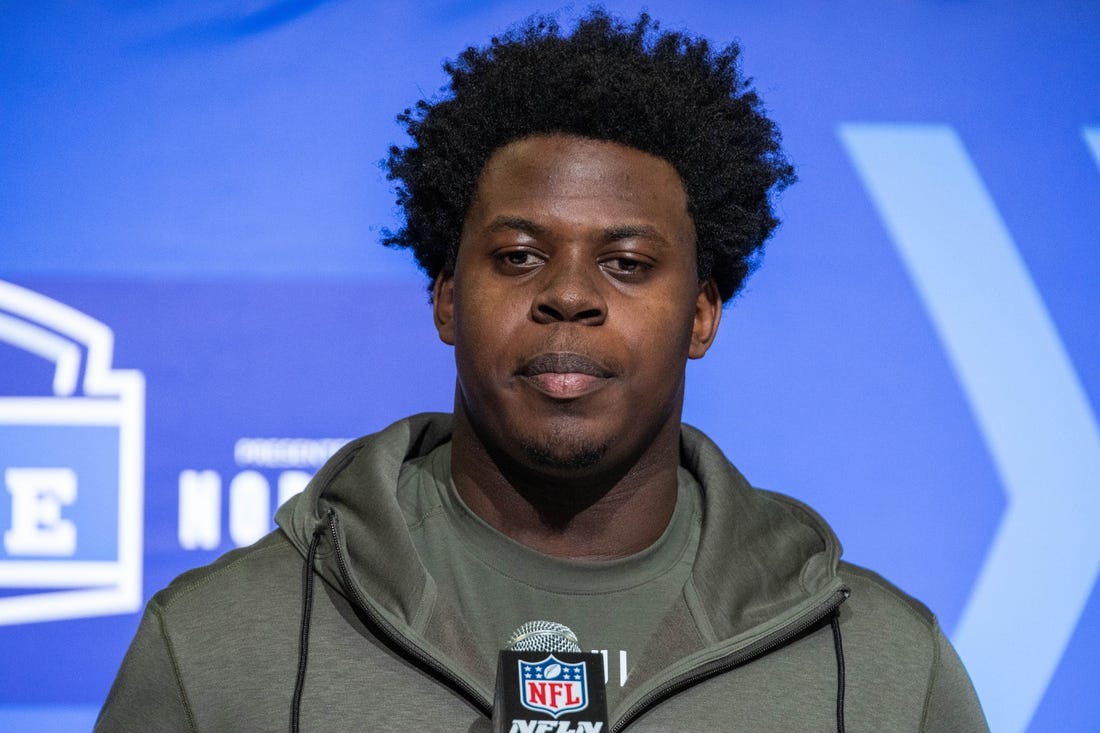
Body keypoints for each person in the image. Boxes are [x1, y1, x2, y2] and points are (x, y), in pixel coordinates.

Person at [97, 11, 988, 732]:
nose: (569, 295)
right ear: (447, 297)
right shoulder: (217, 645)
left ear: (704, 313)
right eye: (519, 256)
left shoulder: (880, 668)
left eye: (628, 263)